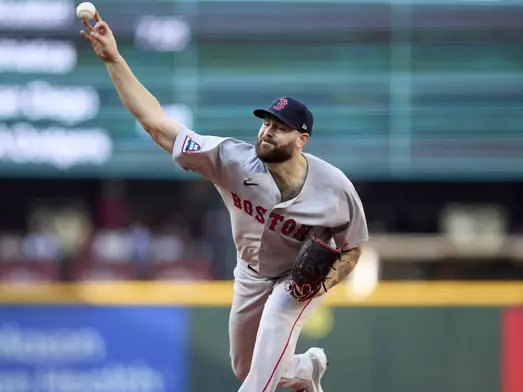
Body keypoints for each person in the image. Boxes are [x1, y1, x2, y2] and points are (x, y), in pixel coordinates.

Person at [80, 10, 368, 392]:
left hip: (296, 281)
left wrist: (322, 283)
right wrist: (114, 60)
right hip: (250, 272)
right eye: (266, 123)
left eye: (280, 128)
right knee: (245, 366)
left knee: (260, 374)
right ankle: (303, 369)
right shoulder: (231, 160)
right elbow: (156, 124)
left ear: (302, 139)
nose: (267, 132)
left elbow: (353, 248)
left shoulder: (334, 188)